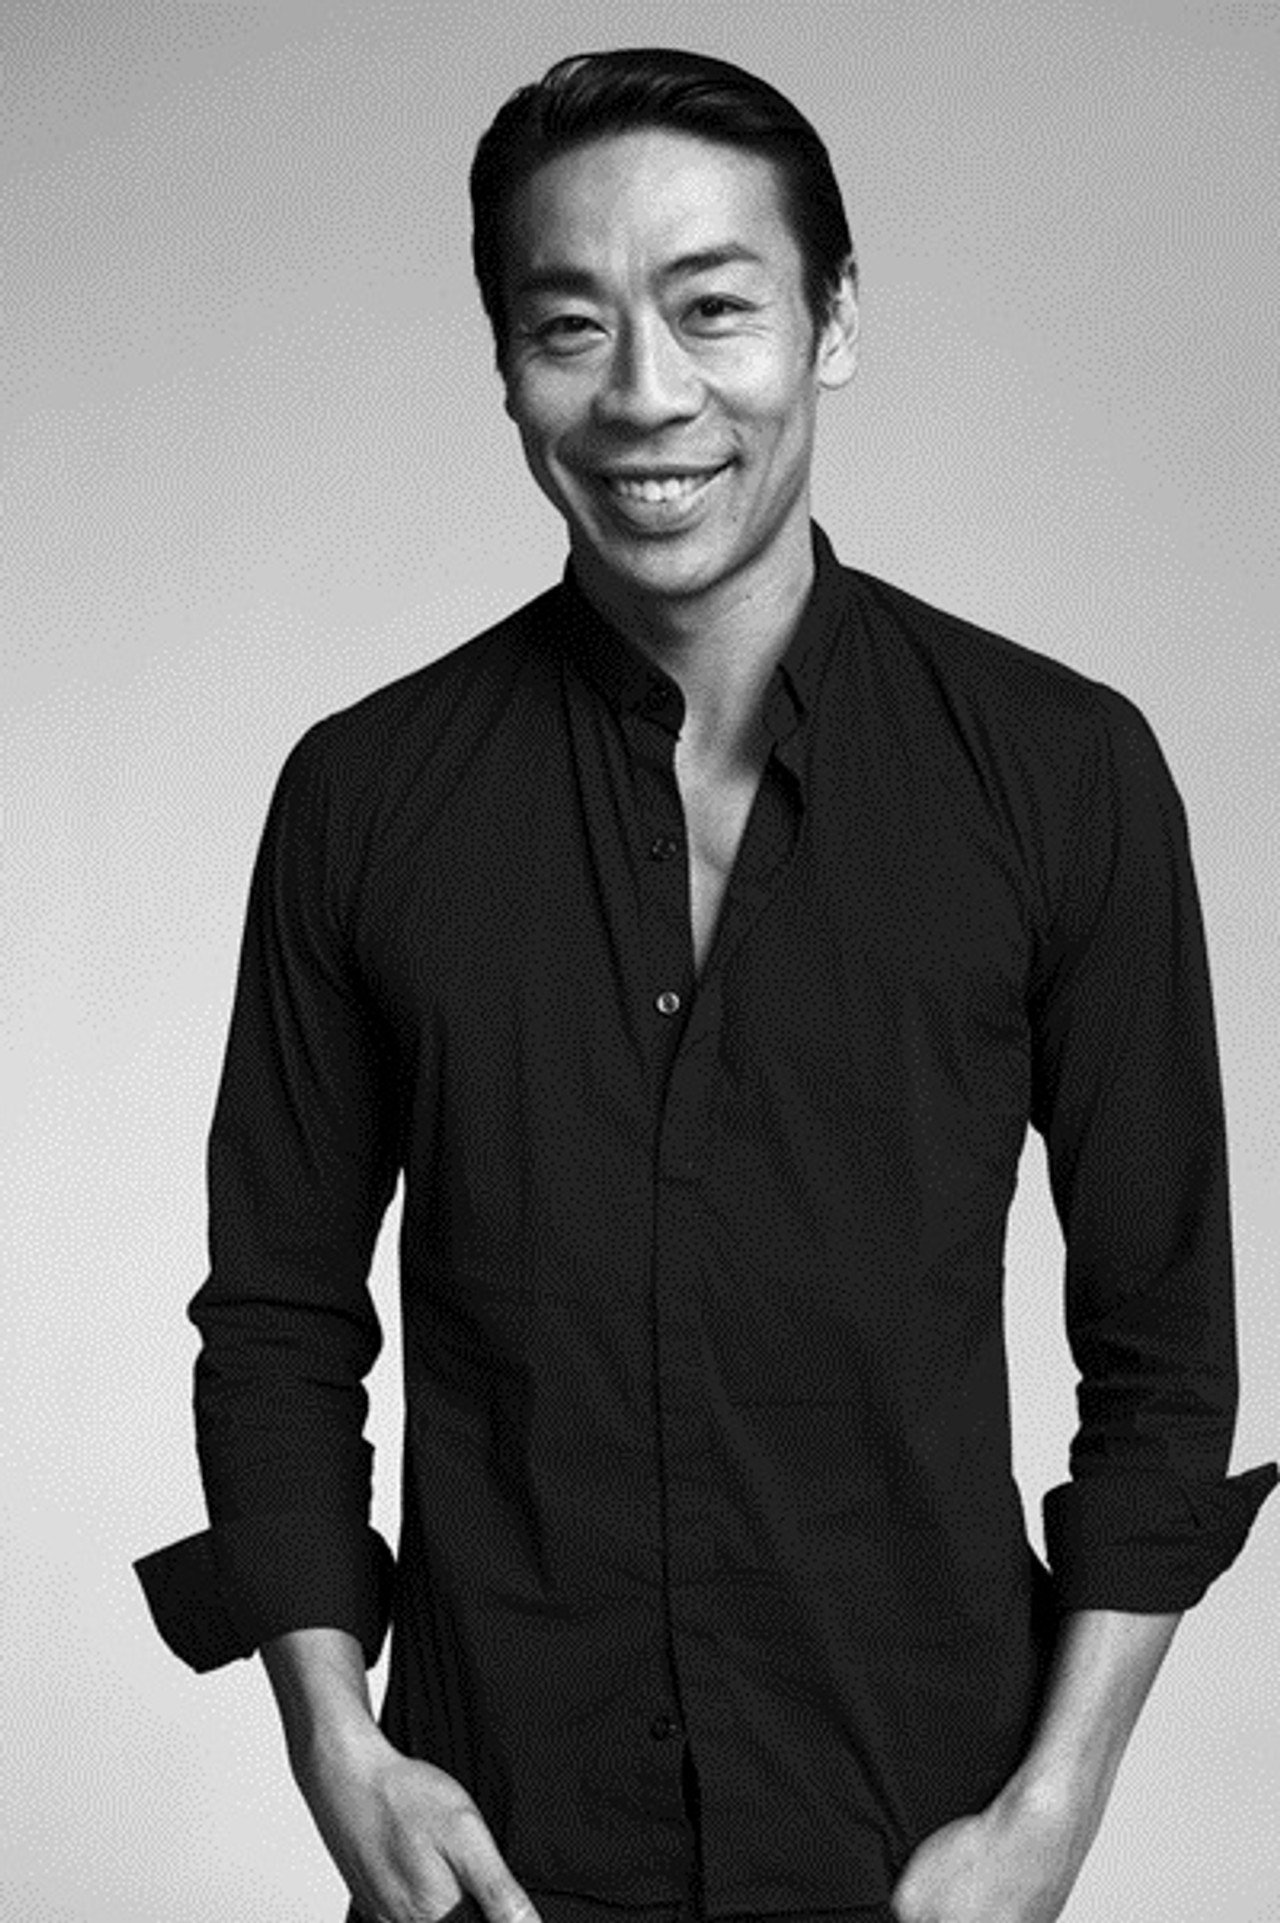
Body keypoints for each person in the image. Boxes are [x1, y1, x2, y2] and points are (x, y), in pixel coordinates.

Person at [134, 46, 1275, 1923]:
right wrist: (337, 1745)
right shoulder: (366, 797)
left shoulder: (1063, 775)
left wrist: (1055, 1809)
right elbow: (276, 1317)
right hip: (497, 1865)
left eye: (714, 306)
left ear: (835, 320)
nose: (646, 394)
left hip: (915, 1854)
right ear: (505, 363)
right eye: (568, 324)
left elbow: (1162, 1349)